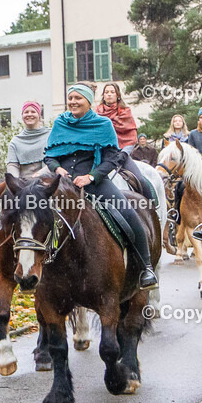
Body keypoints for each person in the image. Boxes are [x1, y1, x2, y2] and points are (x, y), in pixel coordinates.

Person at [43, 82, 158, 289]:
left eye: (78, 98)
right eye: (70, 98)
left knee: (129, 213)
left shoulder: (103, 124)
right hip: (63, 184)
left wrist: (91, 177)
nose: (73, 102)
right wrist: (57, 169)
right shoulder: (60, 123)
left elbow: (112, 158)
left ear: (88, 101)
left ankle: (146, 267)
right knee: (31, 210)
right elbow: (50, 156)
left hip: (95, 181)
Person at [6, 101, 51, 179]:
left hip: (47, 180)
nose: (29, 114)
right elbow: (12, 165)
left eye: (33, 112)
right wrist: (15, 181)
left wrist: (39, 175)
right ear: (22, 116)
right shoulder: (15, 142)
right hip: (24, 183)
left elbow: (56, 160)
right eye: (26, 112)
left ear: (39, 116)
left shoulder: (50, 135)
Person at [95, 82, 138, 152]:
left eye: (112, 92)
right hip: (102, 149)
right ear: (103, 96)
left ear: (117, 95)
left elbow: (132, 134)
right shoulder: (97, 113)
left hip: (124, 149)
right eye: (106, 92)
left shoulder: (125, 112)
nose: (109, 94)